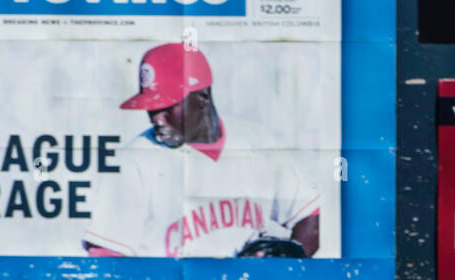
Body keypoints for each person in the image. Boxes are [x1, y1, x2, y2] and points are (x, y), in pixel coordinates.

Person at [83, 43, 321, 259]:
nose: (157, 118)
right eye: (151, 108)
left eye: (166, 106)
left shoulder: (257, 143)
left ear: (203, 97)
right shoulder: (133, 160)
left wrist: (294, 254)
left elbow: (309, 216)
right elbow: (106, 257)